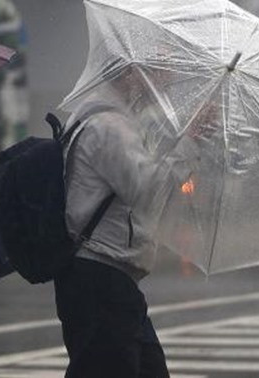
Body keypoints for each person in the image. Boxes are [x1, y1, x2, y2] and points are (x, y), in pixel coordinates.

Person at [57, 65, 216, 378]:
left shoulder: (100, 118)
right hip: (100, 279)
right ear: (129, 75)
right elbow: (150, 192)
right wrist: (191, 141)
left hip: (107, 279)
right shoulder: (109, 127)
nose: (163, 85)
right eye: (155, 75)